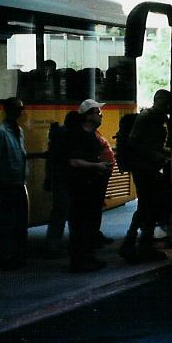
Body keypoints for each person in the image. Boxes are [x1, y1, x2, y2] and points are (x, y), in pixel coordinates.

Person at [119, 89, 172, 263]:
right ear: (157, 100)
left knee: (147, 206)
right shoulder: (147, 117)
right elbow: (133, 142)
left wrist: (166, 153)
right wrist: (156, 155)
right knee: (148, 206)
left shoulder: (159, 118)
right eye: (166, 102)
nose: (168, 106)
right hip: (143, 168)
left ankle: (133, 243)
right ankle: (141, 244)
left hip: (149, 167)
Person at [64, 99, 113, 272]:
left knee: (89, 223)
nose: (101, 115)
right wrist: (97, 166)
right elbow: (73, 161)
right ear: (88, 116)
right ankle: (79, 260)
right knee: (81, 224)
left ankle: (87, 257)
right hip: (81, 187)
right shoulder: (78, 136)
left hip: (92, 186)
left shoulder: (92, 135)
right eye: (97, 112)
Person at [0, 97, 28, 270]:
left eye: (22, 108)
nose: (21, 112)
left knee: (19, 221)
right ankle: (6, 256)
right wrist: (1, 177)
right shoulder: (1, 132)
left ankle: (17, 255)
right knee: (7, 222)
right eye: (18, 108)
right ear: (8, 110)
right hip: (7, 183)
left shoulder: (19, 130)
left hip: (19, 182)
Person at [44, 110, 79, 256]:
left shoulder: (57, 135)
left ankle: (53, 244)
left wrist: (48, 178)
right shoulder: (70, 136)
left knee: (58, 212)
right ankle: (63, 244)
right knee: (68, 212)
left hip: (58, 178)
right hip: (67, 179)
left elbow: (50, 159)